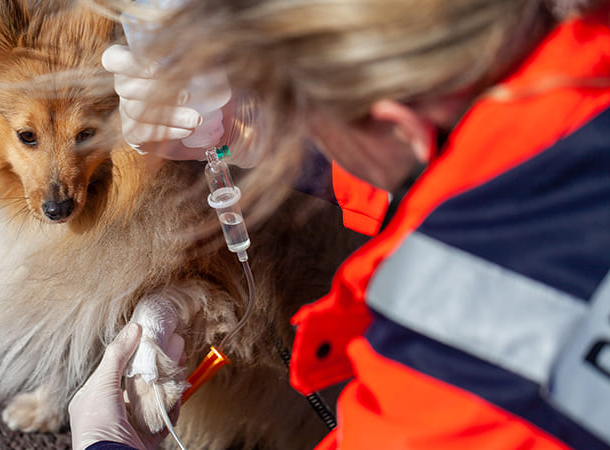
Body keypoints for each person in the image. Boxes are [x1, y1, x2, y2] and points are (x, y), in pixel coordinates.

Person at [72, 0, 610, 448]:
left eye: (305, 116)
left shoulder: (449, 380)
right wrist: (262, 129)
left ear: (395, 125)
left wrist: (103, 442)